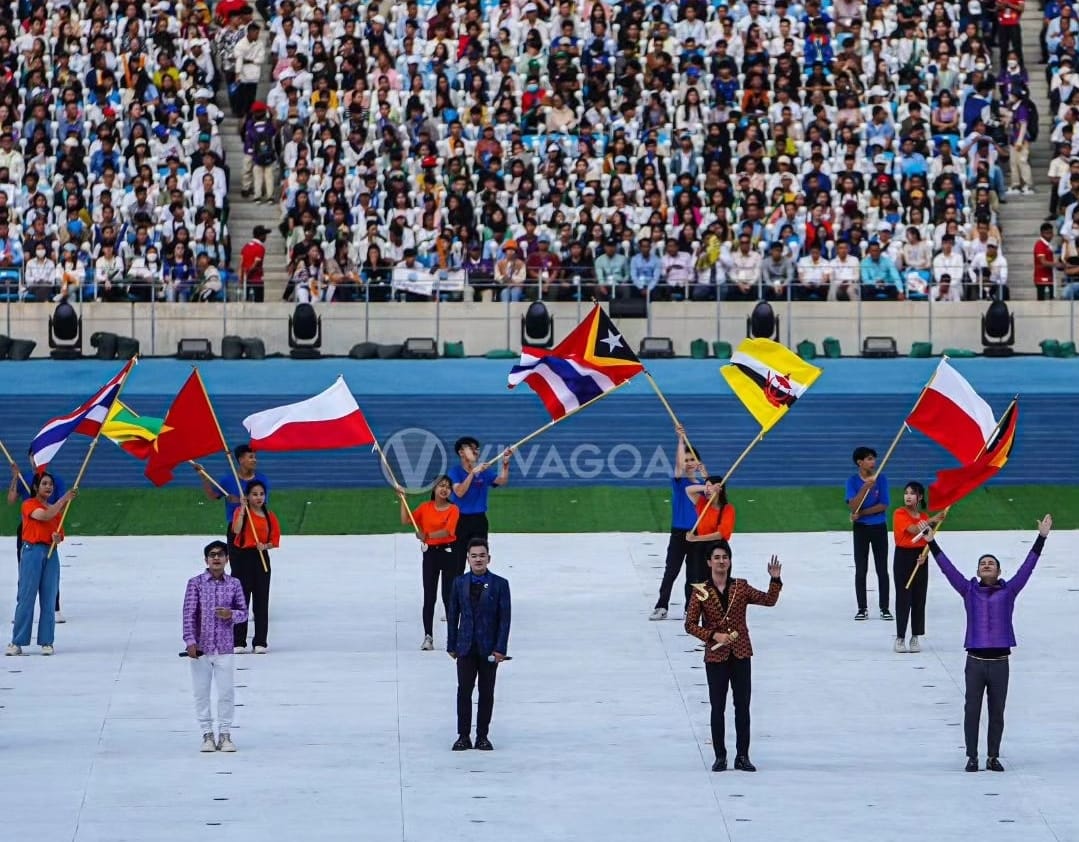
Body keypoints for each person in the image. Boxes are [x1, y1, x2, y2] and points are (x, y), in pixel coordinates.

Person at [926, 514, 1053, 772]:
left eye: (991, 563)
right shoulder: (968, 590)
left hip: (999, 663)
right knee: (971, 710)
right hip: (975, 662)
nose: (986, 565)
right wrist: (932, 544)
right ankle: (972, 756)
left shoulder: (1010, 590)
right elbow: (948, 570)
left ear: (999, 571)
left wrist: (1041, 538)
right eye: (982, 563)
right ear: (977, 571)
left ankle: (993, 756)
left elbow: (1027, 568)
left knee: (997, 712)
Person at [684, 541, 782, 772]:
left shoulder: (741, 586)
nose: (721, 561)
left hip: (740, 654)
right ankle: (720, 756)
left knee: (742, 706)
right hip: (716, 658)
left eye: (724, 557)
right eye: (717, 557)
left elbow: (769, 600)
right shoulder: (701, 591)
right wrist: (712, 636)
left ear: (729, 561)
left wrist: (775, 579)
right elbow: (689, 625)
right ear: (709, 562)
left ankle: (742, 756)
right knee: (717, 707)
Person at [182, 540, 248, 752]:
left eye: (220, 554)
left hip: (225, 646)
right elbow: (188, 613)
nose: (216, 558)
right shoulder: (196, 583)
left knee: (226, 692)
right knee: (201, 692)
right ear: (206, 559)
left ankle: (225, 734)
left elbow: (244, 613)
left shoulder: (234, 584)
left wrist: (231, 614)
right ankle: (207, 734)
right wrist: (190, 641)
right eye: (212, 555)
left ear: (227, 559)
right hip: (201, 648)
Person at [447, 537, 511, 752]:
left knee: (486, 692)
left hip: (488, 648)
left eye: (482, 555)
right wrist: (451, 644)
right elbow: (453, 614)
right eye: (474, 556)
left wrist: (500, 648)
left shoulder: (501, 585)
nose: (478, 559)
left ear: (489, 558)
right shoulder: (458, 583)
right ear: (468, 559)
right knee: (464, 691)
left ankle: (482, 736)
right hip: (465, 646)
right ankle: (463, 736)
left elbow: (505, 618)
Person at [6, 473, 75, 656]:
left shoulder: (55, 510)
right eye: (44, 484)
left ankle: (46, 641)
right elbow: (43, 516)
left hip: (50, 553)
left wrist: (56, 538)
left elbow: (59, 535)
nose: (48, 487)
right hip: (32, 553)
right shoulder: (29, 504)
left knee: (49, 597)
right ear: (36, 487)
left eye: (50, 484)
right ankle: (17, 642)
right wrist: (64, 500)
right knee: (26, 597)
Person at [651, 426, 707, 620]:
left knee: (694, 574)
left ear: (699, 462)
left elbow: (715, 495)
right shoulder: (679, 481)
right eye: (687, 459)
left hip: (697, 534)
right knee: (671, 571)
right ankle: (661, 606)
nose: (689, 463)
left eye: (693, 459)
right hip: (679, 533)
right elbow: (679, 465)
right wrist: (681, 440)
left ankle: (689, 609)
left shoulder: (704, 486)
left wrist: (705, 473)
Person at [400, 475, 460, 651]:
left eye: (447, 487)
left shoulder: (453, 509)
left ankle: (453, 637)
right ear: (434, 489)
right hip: (430, 555)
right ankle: (428, 637)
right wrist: (402, 500)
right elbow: (406, 520)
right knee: (429, 596)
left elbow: (448, 531)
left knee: (448, 595)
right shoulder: (425, 508)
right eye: (441, 486)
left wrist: (427, 536)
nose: (444, 489)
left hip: (448, 553)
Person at [7, 461, 67, 622]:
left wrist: (50, 509)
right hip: (29, 529)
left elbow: (62, 506)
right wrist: (15, 478)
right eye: (33, 456)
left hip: (49, 528)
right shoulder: (25, 478)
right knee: (25, 570)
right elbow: (11, 499)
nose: (36, 460)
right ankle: (22, 609)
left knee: (50, 572)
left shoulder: (55, 480)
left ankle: (54, 608)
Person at [891, 482, 944, 653]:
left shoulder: (923, 515)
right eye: (906, 493)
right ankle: (900, 637)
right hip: (903, 557)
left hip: (920, 557)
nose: (908, 496)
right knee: (903, 596)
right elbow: (914, 529)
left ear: (920, 497)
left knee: (919, 597)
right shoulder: (899, 513)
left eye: (912, 493)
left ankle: (915, 636)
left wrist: (936, 523)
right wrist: (931, 520)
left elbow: (927, 537)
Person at [449, 436, 510, 581]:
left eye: (477, 448)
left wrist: (505, 464)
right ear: (461, 452)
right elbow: (459, 492)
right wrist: (472, 473)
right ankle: (456, 598)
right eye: (471, 448)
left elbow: (501, 480)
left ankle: (478, 595)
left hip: (479, 520)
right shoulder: (454, 472)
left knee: (478, 561)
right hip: (460, 521)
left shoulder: (484, 471)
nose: (476, 451)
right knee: (458, 563)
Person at [229, 480, 279, 654]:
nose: (258, 498)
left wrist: (265, 546)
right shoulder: (241, 512)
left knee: (261, 602)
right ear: (247, 497)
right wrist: (242, 510)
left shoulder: (270, 516)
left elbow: (274, 540)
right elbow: (236, 530)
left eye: (261, 494)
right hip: (243, 559)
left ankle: (260, 641)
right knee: (241, 600)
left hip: (261, 559)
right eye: (254, 494)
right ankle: (239, 641)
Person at [846, 446, 892, 621]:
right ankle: (862, 608)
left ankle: (885, 607)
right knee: (861, 569)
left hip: (879, 527)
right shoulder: (852, 481)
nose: (873, 462)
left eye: (874, 458)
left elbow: (884, 504)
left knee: (882, 569)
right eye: (869, 459)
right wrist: (865, 488)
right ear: (860, 462)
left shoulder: (881, 479)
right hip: (861, 530)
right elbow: (853, 505)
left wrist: (862, 514)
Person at [194, 445, 269, 549]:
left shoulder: (261, 480)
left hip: (255, 527)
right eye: (251, 457)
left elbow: (262, 504)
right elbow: (212, 496)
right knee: (237, 564)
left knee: (259, 563)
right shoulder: (228, 480)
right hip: (235, 528)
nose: (255, 460)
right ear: (241, 460)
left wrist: (238, 500)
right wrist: (204, 477)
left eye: (255, 457)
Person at [684, 477, 736, 603]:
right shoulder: (702, 503)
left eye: (711, 488)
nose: (708, 491)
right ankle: (693, 609)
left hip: (718, 548)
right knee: (696, 579)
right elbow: (688, 490)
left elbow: (720, 534)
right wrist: (707, 487)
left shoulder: (727, 509)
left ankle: (719, 610)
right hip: (700, 549)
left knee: (719, 580)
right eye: (706, 487)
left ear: (720, 490)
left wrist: (696, 538)